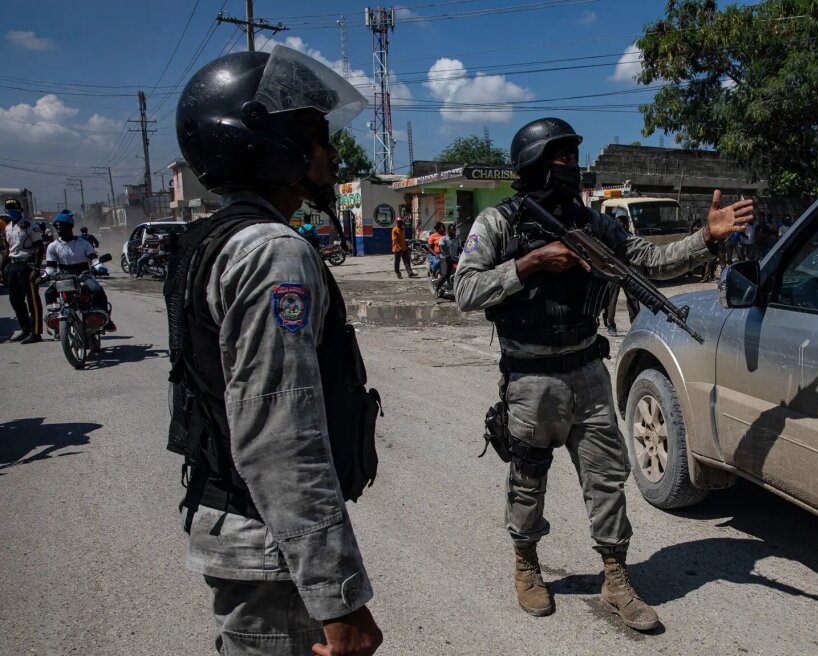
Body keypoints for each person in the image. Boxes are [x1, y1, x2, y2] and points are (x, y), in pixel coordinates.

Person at [454, 117, 752, 630]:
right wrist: (531, 264)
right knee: (527, 478)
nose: (573, 165)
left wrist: (705, 237)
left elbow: (646, 261)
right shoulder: (499, 223)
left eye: (574, 156)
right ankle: (527, 565)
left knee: (607, 479)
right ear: (536, 164)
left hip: (587, 370)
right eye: (563, 157)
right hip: (531, 378)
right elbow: (464, 290)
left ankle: (616, 577)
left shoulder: (591, 222)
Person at [168, 45, 382, 656]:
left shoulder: (216, 237)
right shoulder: (271, 252)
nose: (333, 152)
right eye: (315, 135)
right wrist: (338, 598)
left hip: (256, 538)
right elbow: (279, 433)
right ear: (266, 141)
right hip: (272, 554)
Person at [42, 210, 116, 333]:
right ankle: (56, 322)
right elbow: (51, 267)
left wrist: (99, 267)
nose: (59, 228)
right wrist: (45, 276)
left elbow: (93, 259)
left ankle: (107, 319)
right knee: (49, 294)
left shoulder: (84, 243)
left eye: (63, 225)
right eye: (57, 226)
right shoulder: (52, 246)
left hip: (83, 275)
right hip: (64, 278)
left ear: (71, 226)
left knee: (97, 290)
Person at [4, 198, 45, 343]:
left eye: (14, 209)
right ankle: (25, 330)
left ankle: (35, 332)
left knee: (32, 299)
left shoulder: (29, 225)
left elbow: (40, 246)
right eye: (9, 209)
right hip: (13, 266)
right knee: (15, 299)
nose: (11, 211)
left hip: (28, 265)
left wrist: (37, 268)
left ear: (20, 210)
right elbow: (9, 249)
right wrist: (3, 267)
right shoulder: (8, 227)